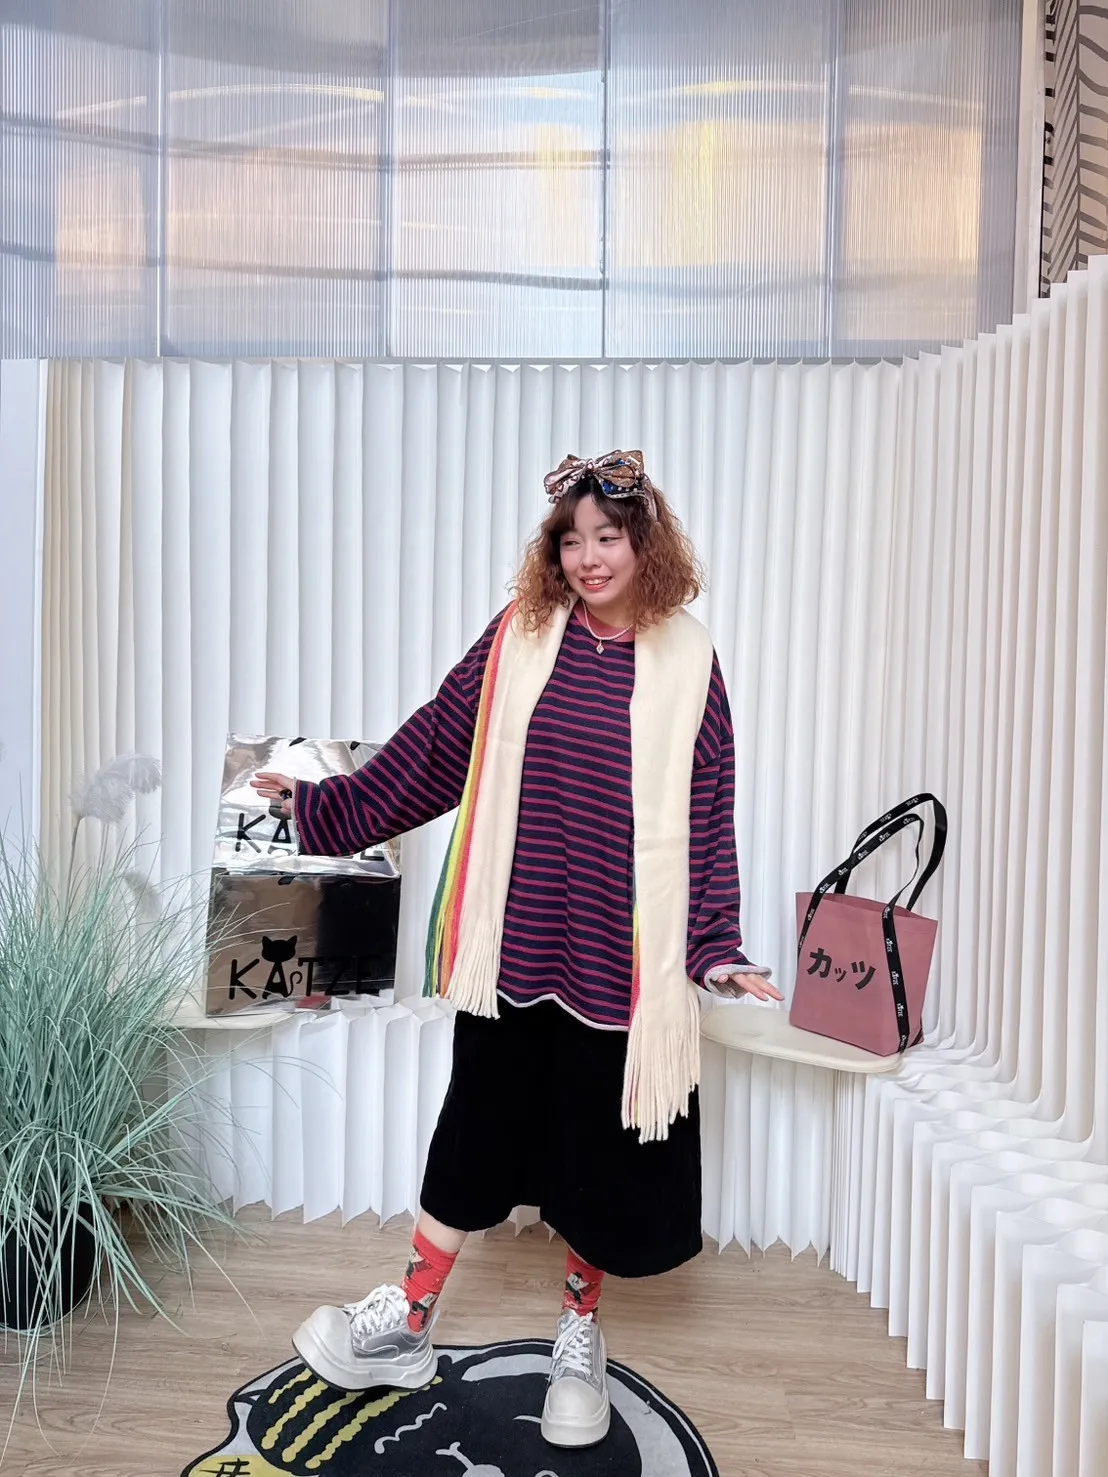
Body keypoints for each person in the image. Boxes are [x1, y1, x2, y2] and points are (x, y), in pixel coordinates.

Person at [252, 450, 781, 1450]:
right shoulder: (520, 635)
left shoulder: (691, 662)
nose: (588, 557)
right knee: (475, 1127)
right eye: (571, 540)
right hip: (516, 941)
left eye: (608, 536)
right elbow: (432, 748)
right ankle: (410, 1318)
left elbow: (709, 817)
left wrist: (714, 947)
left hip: (621, 962)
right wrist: (322, 806)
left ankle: (578, 1334)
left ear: (645, 543)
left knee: (597, 1150)